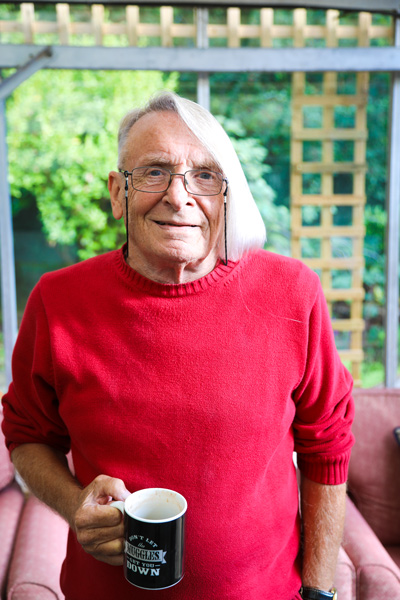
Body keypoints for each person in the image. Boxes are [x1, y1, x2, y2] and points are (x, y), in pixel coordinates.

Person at [1, 91, 353, 600]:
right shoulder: (58, 301)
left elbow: (328, 446)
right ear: (117, 193)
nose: (179, 195)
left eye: (205, 176)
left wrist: (319, 593)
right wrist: (75, 503)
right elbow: (27, 434)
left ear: (226, 195)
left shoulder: (293, 294)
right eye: (153, 172)